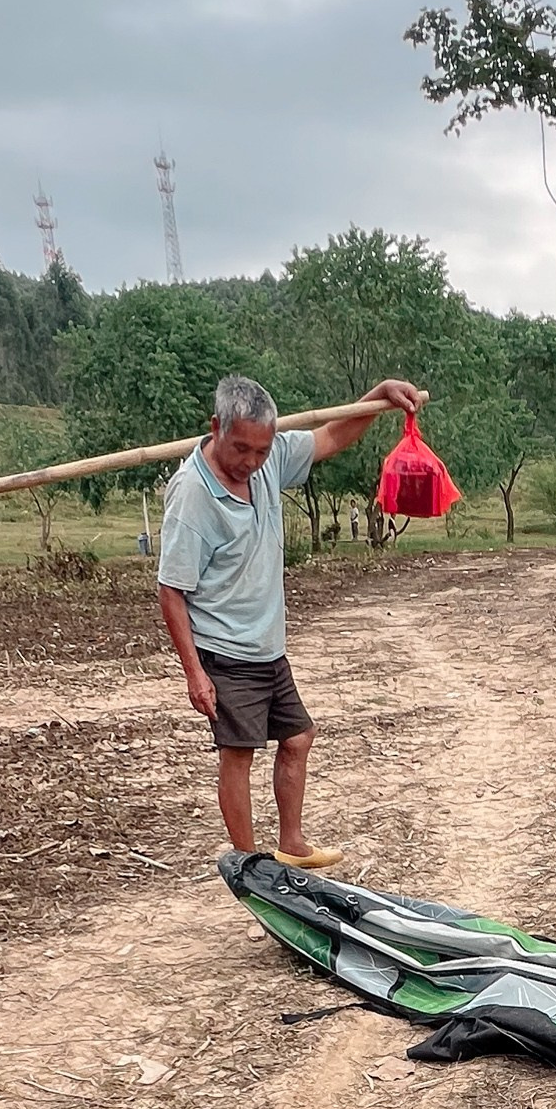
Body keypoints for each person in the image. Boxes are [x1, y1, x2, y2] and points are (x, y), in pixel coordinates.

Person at [157, 371, 421, 869]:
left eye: (261, 450)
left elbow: (332, 435)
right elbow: (171, 590)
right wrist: (194, 673)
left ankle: (292, 843)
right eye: (241, 449)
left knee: (297, 738)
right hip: (224, 650)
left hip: (267, 646)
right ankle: (249, 867)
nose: (251, 462)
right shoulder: (192, 495)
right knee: (239, 754)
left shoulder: (271, 458)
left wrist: (377, 397)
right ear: (215, 427)